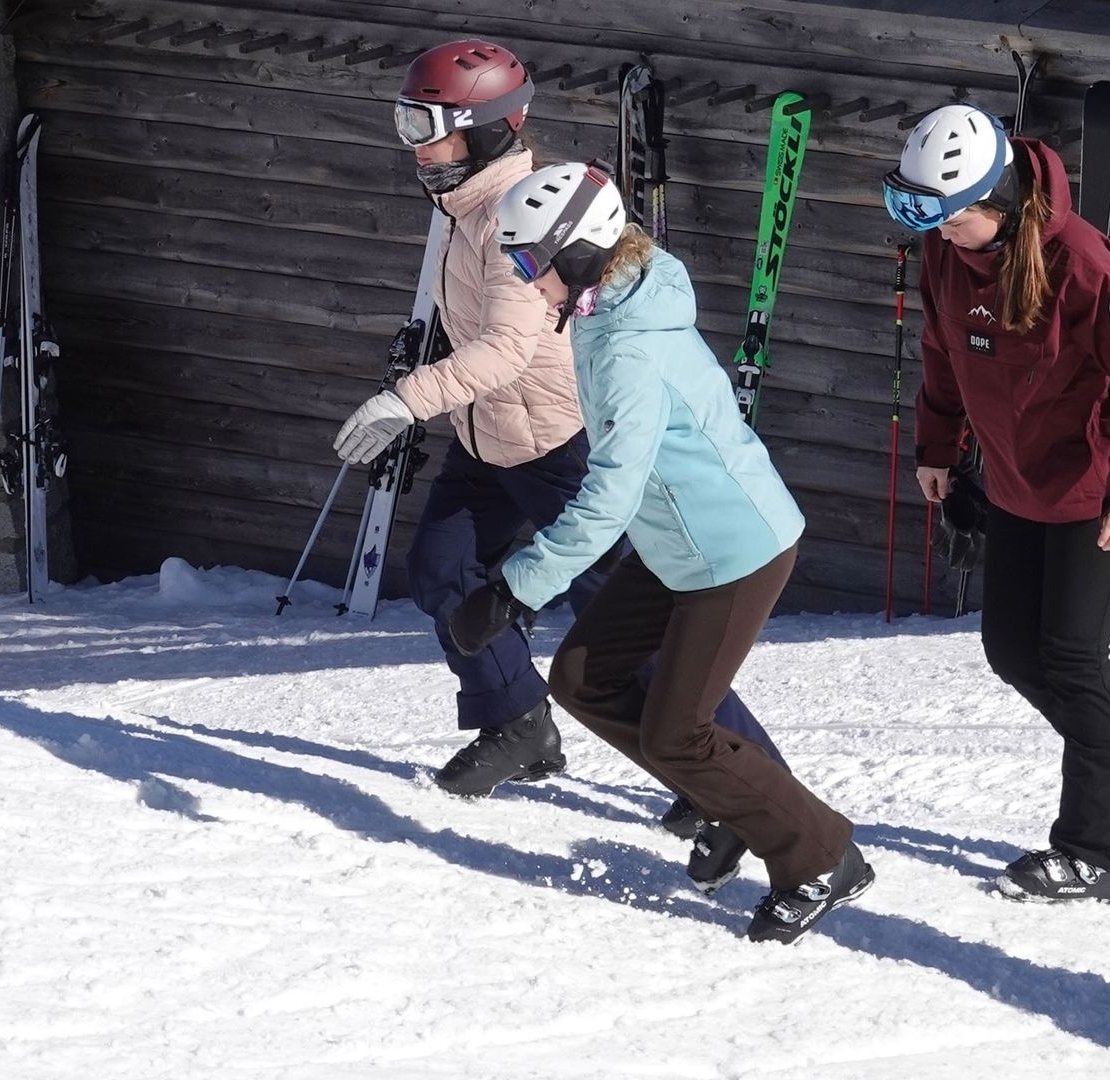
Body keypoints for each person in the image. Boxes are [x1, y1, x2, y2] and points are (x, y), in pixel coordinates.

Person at [332, 39, 785, 836]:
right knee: (442, 570)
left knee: (623, 619)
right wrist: (430, 361)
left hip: (555, 440)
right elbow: (479, 330)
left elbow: (507, 348)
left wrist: (406, 401)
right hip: (488, 437)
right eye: (407, 123)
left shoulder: (521, 216)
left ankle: (740, 770)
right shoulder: (463, 201)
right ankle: (516, 720)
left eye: (426, 125)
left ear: (484, 129)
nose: (415, 145)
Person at [447, 161, 871, 944]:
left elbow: (608, 493)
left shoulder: (628, 349)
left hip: (731, 551)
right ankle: (738, 807)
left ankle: (819, 856)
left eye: (526, 263)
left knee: (681, 730)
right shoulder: (617, 305)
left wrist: (513, 590)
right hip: (676, 541)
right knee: (583, 678)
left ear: (577, 253)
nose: (520, 280)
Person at [882, 103, 1110, 905]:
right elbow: (942, 351)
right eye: (923, 214)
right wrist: (938, 447)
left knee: (1072, 661)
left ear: (997, 204)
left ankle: (1093, 852)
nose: (937, 233)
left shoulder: (1080, 260)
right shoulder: (947, 255)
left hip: (1094, 494)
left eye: (948, 217)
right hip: (1015, 482)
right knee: (1013, 654)